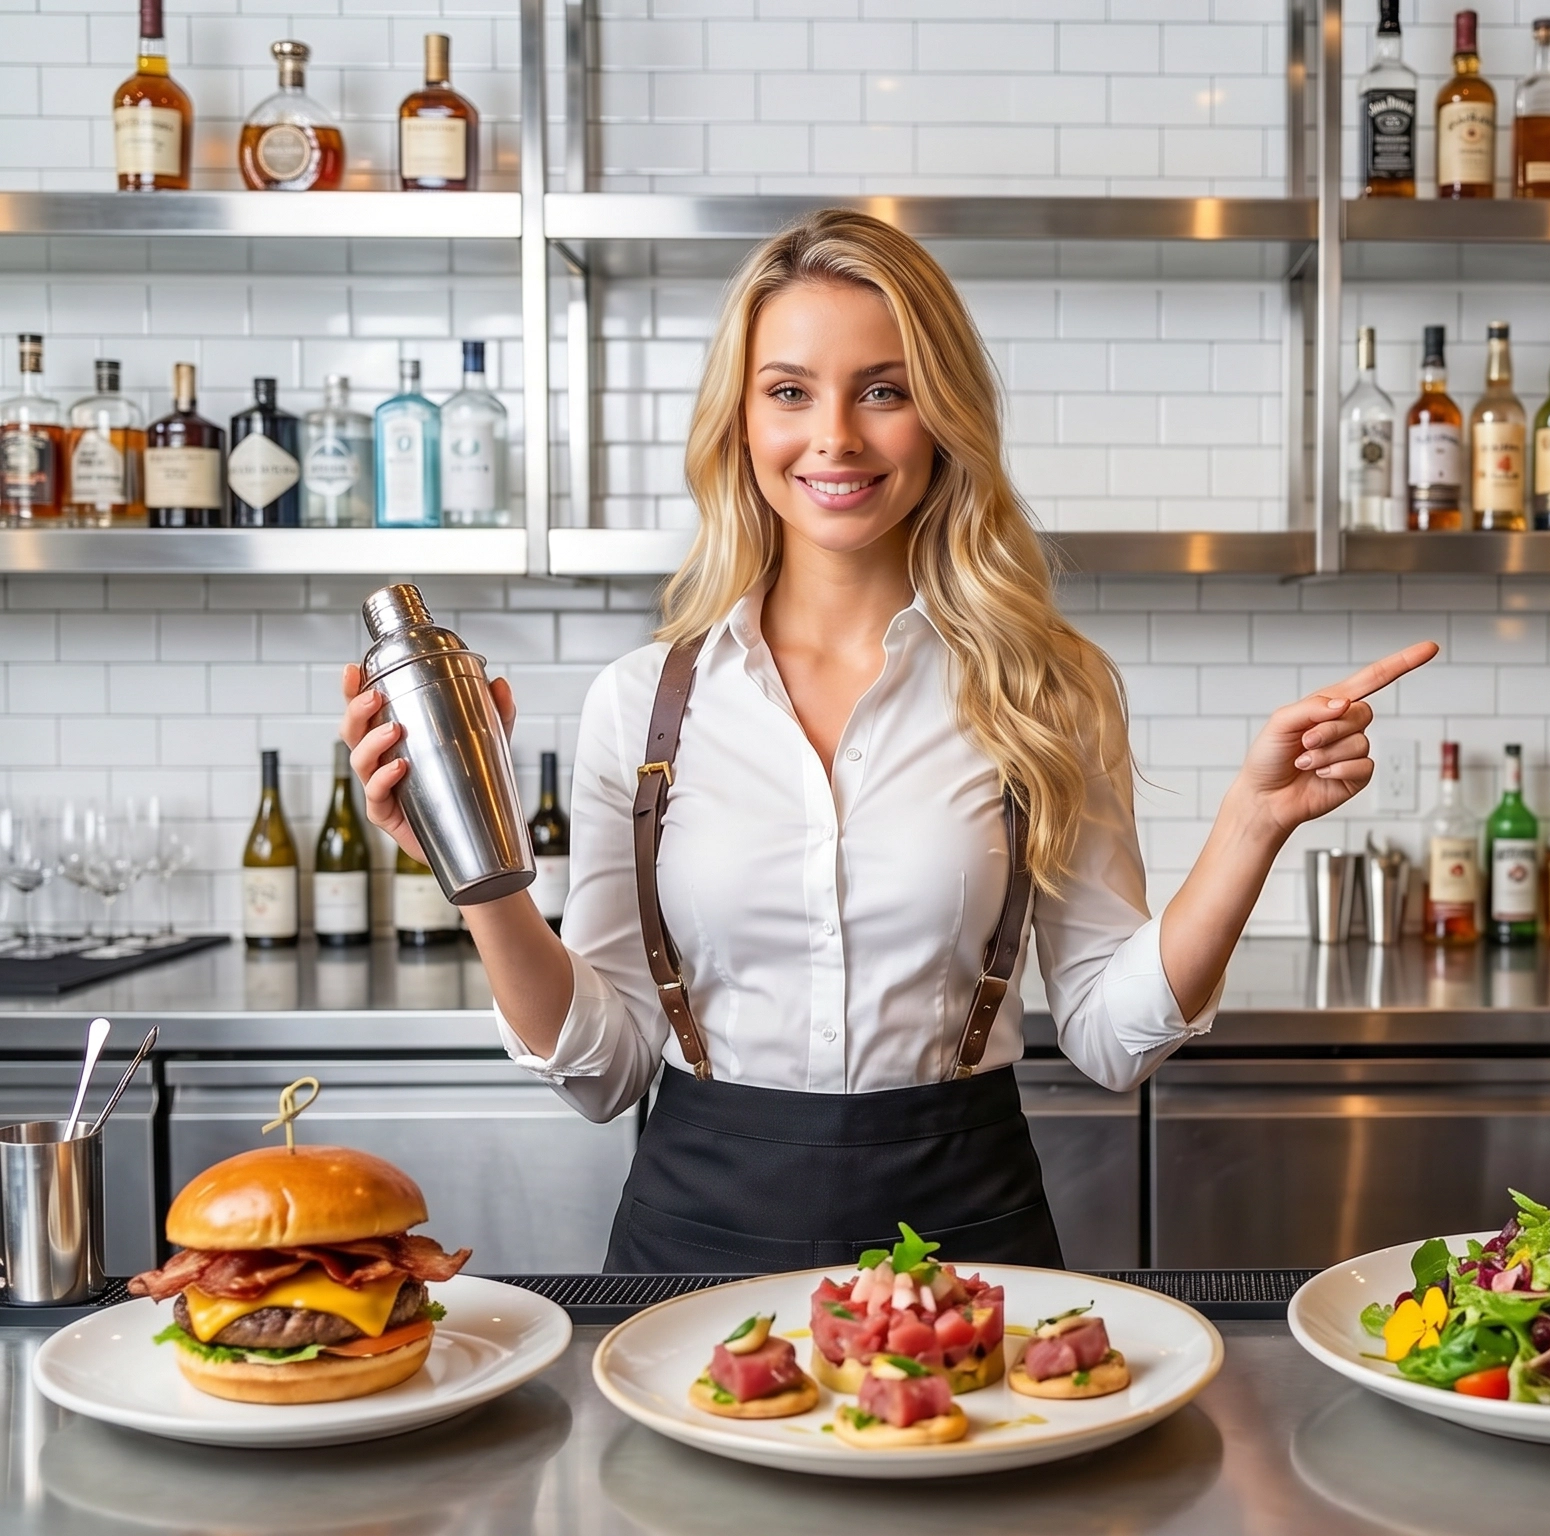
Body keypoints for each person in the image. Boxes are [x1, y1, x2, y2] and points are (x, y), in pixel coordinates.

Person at [339, 210, 1434, 1271]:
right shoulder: (643, 703)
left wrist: (1251, 825)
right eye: (789, 392)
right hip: (692, 1252)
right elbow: (606, 1069)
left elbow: (1111, 1035)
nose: (835, 438)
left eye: (884, 391)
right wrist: (475, 874)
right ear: (741, 423)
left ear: (941, 417)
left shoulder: (1047, 687)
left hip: (969, 1250)